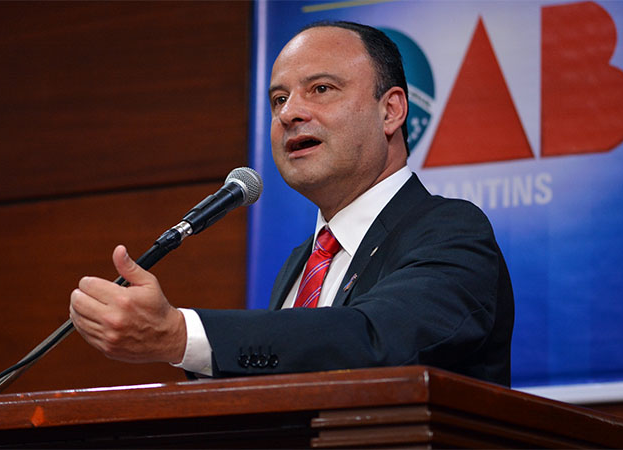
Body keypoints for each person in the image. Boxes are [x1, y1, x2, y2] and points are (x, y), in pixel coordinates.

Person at [69, 21, 514, 386]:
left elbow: (377, 343)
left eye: (320, 89)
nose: (288, 113)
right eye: (279, 99)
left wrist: (180, 335)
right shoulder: (301, 265)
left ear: (391, 111)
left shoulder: (451, 231)